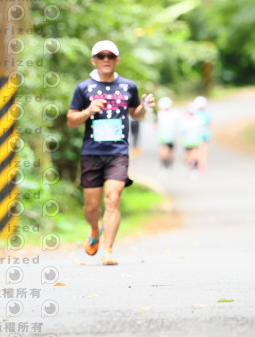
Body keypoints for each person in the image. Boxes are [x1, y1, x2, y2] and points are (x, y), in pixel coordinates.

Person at [67, 40, 155, 265]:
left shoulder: (128, 86)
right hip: (92, 152)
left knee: (113, 198)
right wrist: (88, 110)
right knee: (91, 207)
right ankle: (94, 228)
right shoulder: (83, 88)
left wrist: (144, 107)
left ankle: (107, 250)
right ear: (93, 61)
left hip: (118, 152)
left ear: (117, 60)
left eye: (110, 56)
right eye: (101, 56)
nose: (106, 59)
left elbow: (135, 113)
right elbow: (71, 120)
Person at [180, 102, 204, 173]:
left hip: (194, 140)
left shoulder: (197, 119)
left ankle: (193, 166)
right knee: (189, 153)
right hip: (188, 140)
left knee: (194, 154)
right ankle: (190, 165)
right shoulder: (186, 119)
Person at [156, 96, 178, 171]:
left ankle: (165, 164)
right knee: (168, 150)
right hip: (167, 134)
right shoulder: (173, 113)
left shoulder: (160, 113)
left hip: (166, 134)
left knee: (165, 149)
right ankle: (167, 163)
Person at [194, 96, 211, 174]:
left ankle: (202, 165)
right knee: (198, 151)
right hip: (196, 135)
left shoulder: (206, 113)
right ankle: (198, 164)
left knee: (204, 151)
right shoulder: (195, 113)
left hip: (204, 135)